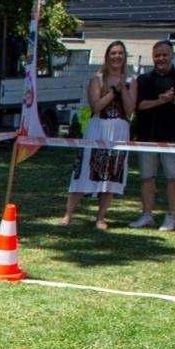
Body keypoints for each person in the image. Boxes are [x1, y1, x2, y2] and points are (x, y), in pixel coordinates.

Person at [59, 41, 133, 230]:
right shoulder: (97, 79)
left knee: (112, 173)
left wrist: (124, 88)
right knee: (85, 170)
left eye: (120, 53)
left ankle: (100, 217)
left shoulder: (131, 80)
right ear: (107, 56)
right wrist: (113, 92)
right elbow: (96, 106)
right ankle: (68, 214)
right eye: (113, 53)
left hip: (119, 130)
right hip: (98, 127)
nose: (117, 57)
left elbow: (130, 109)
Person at [128, 40, 175, 231]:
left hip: (172, 136)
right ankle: (146, 214)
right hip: (147, 136)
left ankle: (171, 216)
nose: (161, 59)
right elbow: (138, 105)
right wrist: (159, 101)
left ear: (172, 55)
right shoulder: (144, 79)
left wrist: (172, 99)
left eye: (164, 55)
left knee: (173, 177)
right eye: (157, 55)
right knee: (146, 177)